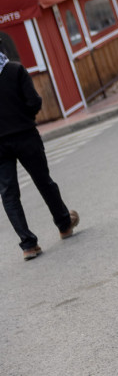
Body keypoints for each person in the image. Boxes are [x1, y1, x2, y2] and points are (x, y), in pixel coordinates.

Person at [0, 50, 79, 261]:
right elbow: (34, 102)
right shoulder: (15, 70)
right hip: (25, 135)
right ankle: (64, 224)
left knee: (8, 194)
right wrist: (23, 118)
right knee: (44, 181)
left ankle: (28, 245)